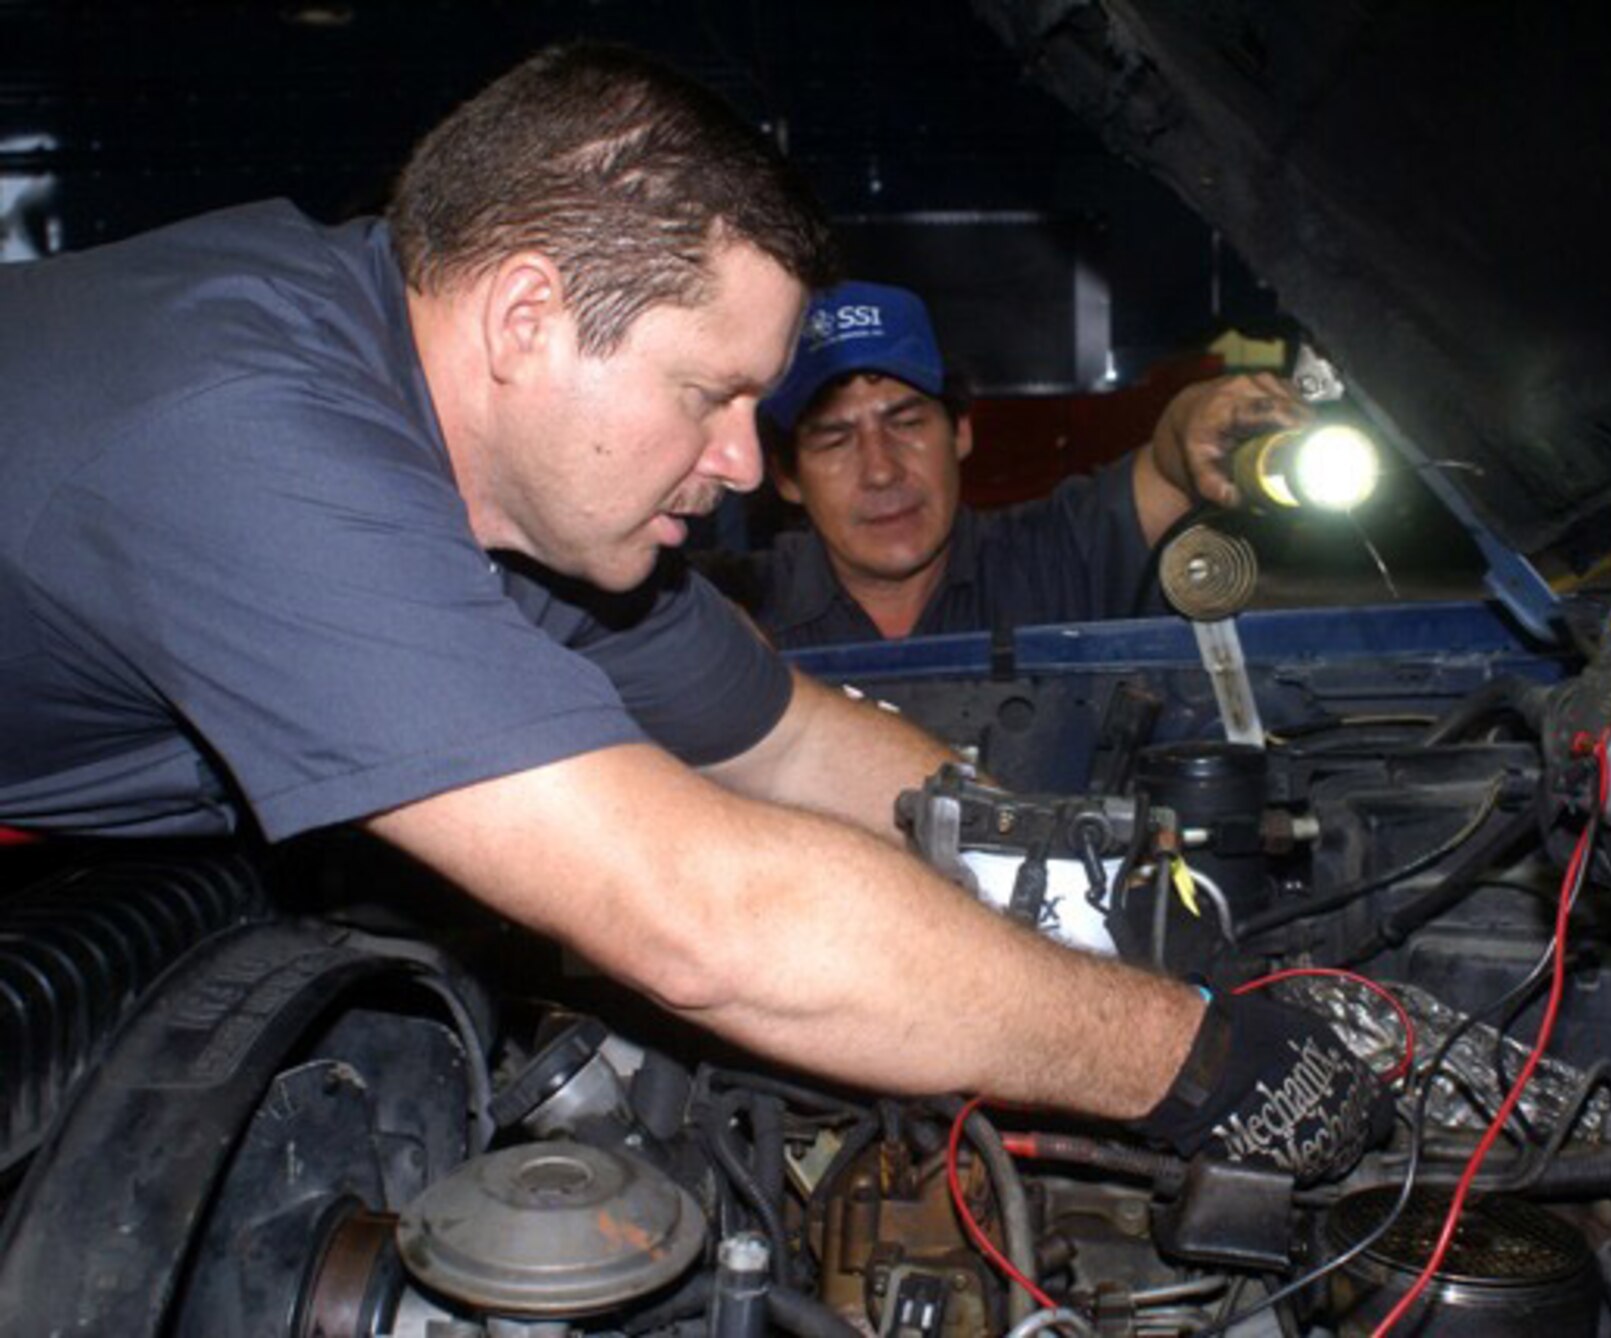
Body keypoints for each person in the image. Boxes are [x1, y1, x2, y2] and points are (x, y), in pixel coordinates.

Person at [0, 43, 1381, 1180]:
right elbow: (705, 918)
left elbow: (788, 741)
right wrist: (1189, 1060)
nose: (738, 465)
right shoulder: (256, 439)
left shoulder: (540, 517)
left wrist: (1071, 868)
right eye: (707, 394)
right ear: (529, 319)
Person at [721, 280, 1307, 646]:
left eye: (906, 422)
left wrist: (1203, 413)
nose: (881, 470)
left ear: (962, 432)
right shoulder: (731, 613)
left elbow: (1172, 462)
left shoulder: (1059, 558)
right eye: (835, 438)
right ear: (787, 477)